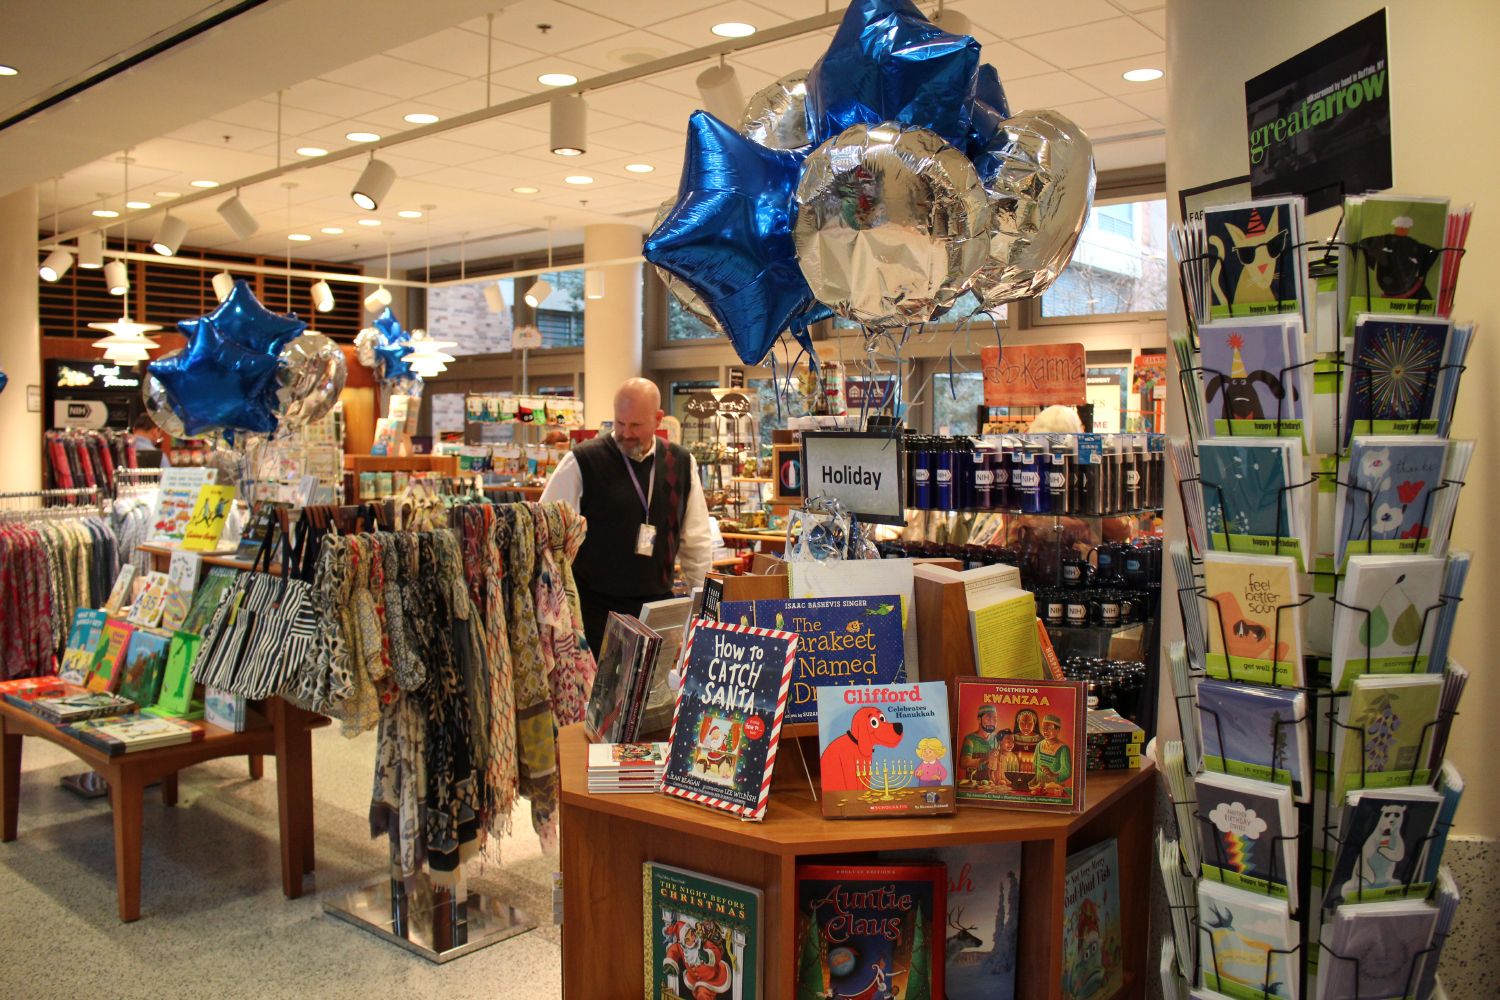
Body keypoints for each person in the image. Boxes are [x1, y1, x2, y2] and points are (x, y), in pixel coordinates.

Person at [540, 377, 711, 655]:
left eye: (636, 425)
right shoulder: (582, 461)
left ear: (658, 420)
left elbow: (697, 541)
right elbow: (546, 534)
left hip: (658, 607)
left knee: (654, 694)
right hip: (594, 609)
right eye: (620, 423)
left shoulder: (680, 462)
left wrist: (703, 604)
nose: (625, 433)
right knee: (600, 695)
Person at [958, 704, 1000, 786]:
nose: (992, 722)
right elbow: (964, 763)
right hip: (974, 783)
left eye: (995, 719)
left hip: (992, 784)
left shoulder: (997, 739)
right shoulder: (970, 739)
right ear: (979, 720)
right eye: (988, 719)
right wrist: (987, 758)